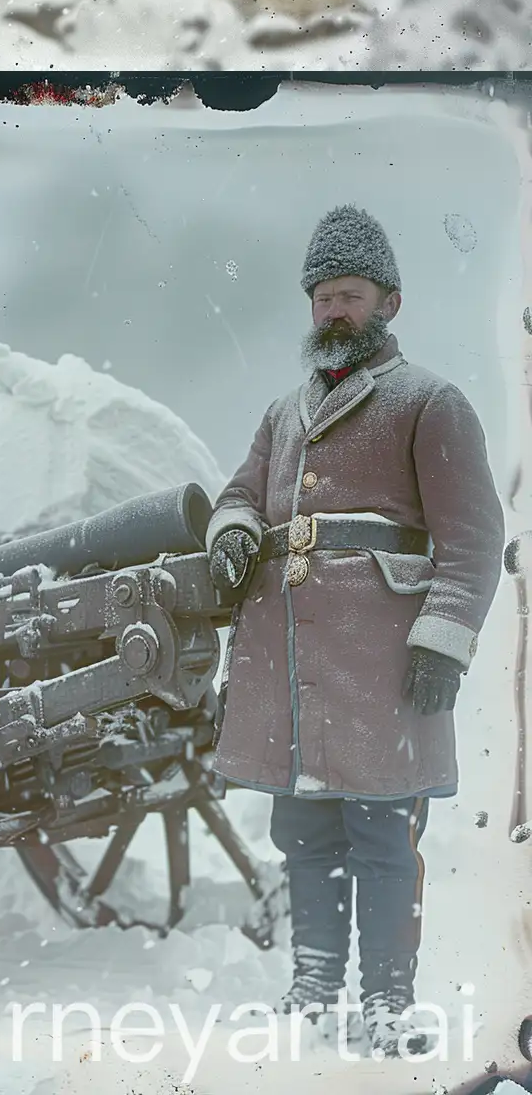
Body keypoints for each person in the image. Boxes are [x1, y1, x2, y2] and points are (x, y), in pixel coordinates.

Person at [204, 207, 505, 1057]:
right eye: (323, 297)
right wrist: (231, 531)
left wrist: (443, 640)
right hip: (289, 664)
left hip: (383, 668)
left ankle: (385, 1005)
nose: (335, 311)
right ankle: (312, 989)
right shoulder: (281, 412)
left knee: (382, 836)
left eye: (352, 296)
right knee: (303, 834)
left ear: (390, 303)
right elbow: (239, 493)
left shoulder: (430, 403)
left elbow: (475, 537)